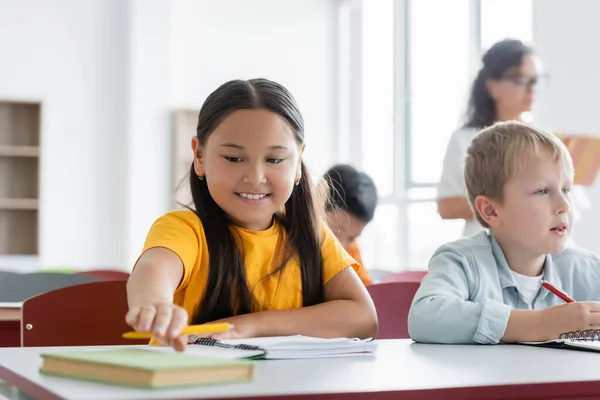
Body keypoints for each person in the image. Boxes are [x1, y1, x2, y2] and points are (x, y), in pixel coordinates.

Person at [125, 78, 378, 352]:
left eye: (274, 160)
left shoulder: (313, 237)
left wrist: (251, 326)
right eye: (234, 158)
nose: (255, 178)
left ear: (297, 164)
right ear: (199, 156)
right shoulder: (183, 229)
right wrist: (155, 303)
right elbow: (155, 268)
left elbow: (364, 318)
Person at [408, 121, 600, 344]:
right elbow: (425, 318)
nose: (564, 205)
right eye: (542, 191)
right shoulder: (462, 262)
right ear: (490, 211)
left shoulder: (586, 269)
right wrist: (539, 324)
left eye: (566, 189)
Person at [437, 38, 589, 237]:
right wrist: (512, 202)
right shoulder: (465, 140)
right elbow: (446, 207)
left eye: (535, 80)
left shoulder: (550, 140)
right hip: (488, 249)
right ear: (492, 86)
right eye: (520, 80)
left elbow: (570, 206)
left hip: (546, 251)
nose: (531, 88)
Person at [322, 164, 378, 286]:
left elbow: (369, 292)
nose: (342, 246)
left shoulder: (350, 249)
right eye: (334, 234)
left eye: (352, 238)